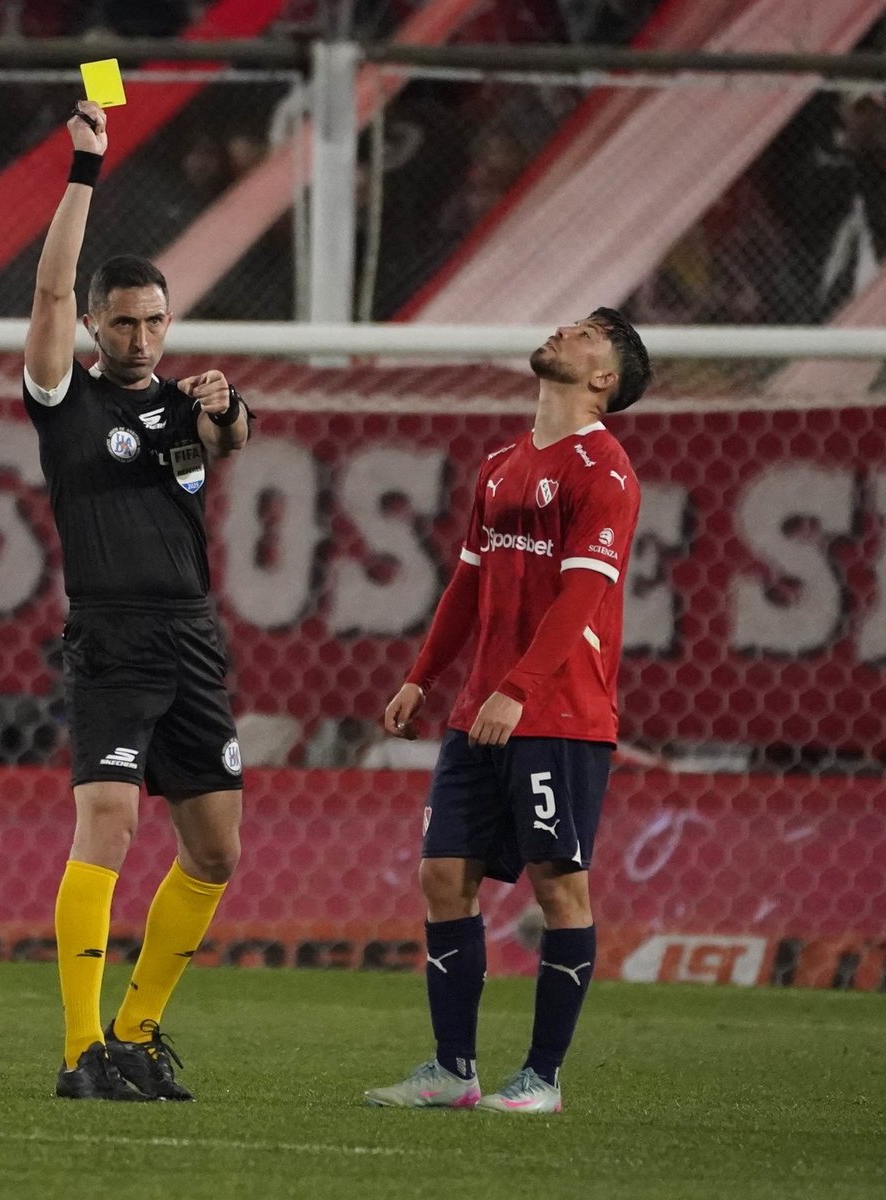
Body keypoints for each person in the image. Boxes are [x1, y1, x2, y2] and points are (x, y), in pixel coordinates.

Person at [365, 309, 651, 1114]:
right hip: (477, 712)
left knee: (561, 888)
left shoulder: (607, 471)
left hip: (557, 713)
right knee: (442, 875)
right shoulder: (500, 465)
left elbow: (583, 597)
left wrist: (518, 688)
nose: (567, 331)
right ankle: (453, 1070)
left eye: (589, 334)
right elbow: (466, 582)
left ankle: (543, 1080)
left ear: (604, 380)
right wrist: (423, 676)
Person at [24, 100, 252, 1101]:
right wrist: (85, 166)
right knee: (108, 824)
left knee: (214, 849)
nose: (143, 336)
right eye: (123, 320)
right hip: (112, 639)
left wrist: (228, 414)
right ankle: (80, 1051)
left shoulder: (180, 403)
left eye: (156, 320)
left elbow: (227, 445)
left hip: (192, 639)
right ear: (92, 325)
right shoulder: (65, 397)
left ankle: (137, 1032)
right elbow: (44, 289)